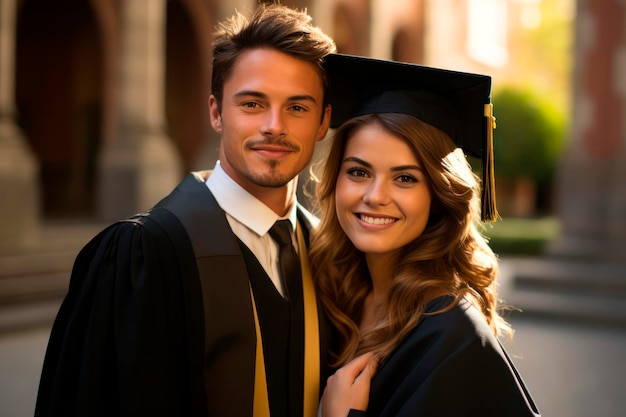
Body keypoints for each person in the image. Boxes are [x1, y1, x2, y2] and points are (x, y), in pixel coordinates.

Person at [35, 4, 336, 417]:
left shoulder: (331, 256)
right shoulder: (144, 256)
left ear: (323, 122)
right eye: (252, 104)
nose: (274, 126)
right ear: (216, 112)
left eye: (298, 108)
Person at [309, 54, 541, 417]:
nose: (374, 196)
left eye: (405, 178)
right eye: (358, 172)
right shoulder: (337, 295)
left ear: (439, 196)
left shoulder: (452, 332)